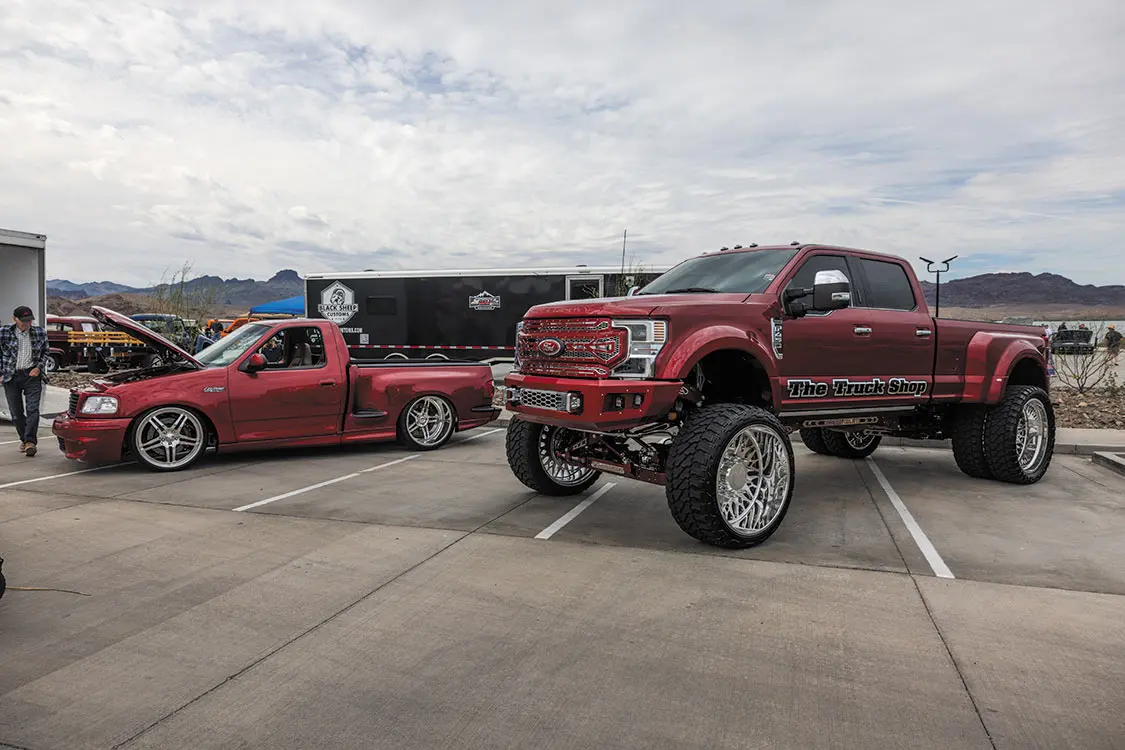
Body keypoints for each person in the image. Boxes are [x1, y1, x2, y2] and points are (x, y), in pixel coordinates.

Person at [1, 305, 50, 457]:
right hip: (11, 376)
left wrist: (38, 368)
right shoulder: (4, 333)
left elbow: (45, 352)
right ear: (14, 319)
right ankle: (25, 439)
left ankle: (30, 442)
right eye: (23, 321)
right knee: (16, 414)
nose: (27, 324)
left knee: (33, 410)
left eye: (29, 320)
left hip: (32, 375)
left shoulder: (40, 333)